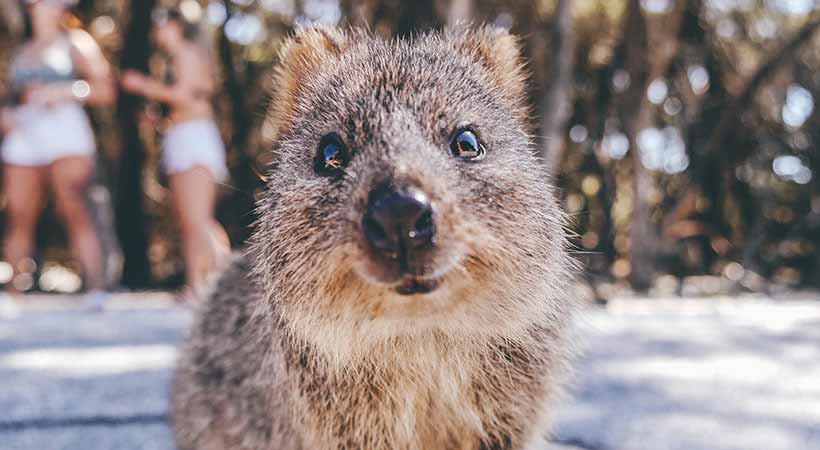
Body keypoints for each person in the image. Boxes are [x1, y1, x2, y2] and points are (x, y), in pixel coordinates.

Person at [0, 0, 115, 305]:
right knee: (19, 213)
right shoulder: (21, 51)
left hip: (65, 131)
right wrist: (6, 117)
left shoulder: (76, 42)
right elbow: (10, 100)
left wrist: (66, 91)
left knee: (74, 206)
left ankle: (96, 289)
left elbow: (105, 90)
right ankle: (13, 293)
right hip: (25, 133)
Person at [121, 7, 229, 300]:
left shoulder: (187, 52)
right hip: (185, 136)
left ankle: (200, 286)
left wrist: (141, 85)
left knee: (196, 218)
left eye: (161, 22)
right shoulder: (178, 58)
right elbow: (187, 100)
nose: (157, 29)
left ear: (178, 25)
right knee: (193, 218)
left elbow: (184, 96)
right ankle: (211, 282)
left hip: (193, 139)